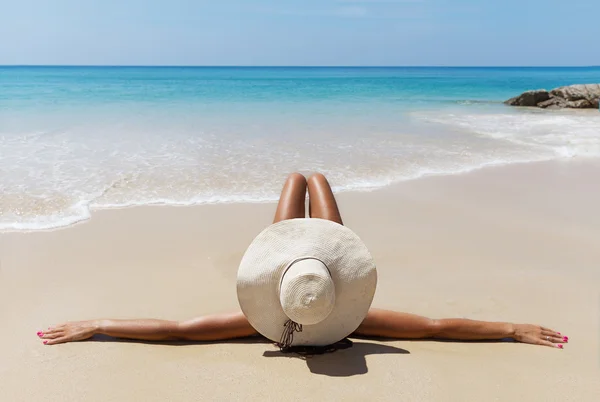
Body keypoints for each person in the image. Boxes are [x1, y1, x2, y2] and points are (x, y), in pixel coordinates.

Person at [37, 173, 567, 350]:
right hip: (310, 278)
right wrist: (511, 329)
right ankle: (309, 178)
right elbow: (434, 327)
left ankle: (303, 177)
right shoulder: (350, 324)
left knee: (301, 186)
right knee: (313, 192)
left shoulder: (261, 325)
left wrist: (101, 323)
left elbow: (178, 331)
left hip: (307, 277)